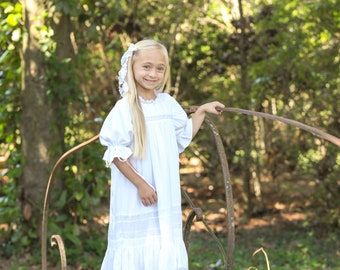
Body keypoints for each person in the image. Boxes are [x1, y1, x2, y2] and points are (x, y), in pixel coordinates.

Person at [99, 39, 224, 270]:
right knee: (138, 242)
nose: (153, 74)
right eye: (146, 67)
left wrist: (202, 111)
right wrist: (141, 184)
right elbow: (116, 154)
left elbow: (182, 135)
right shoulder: (125, 107)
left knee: (162, 239)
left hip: (164, 192)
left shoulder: (167, 103)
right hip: (138, 192)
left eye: (160, 68)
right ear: (132, 68)